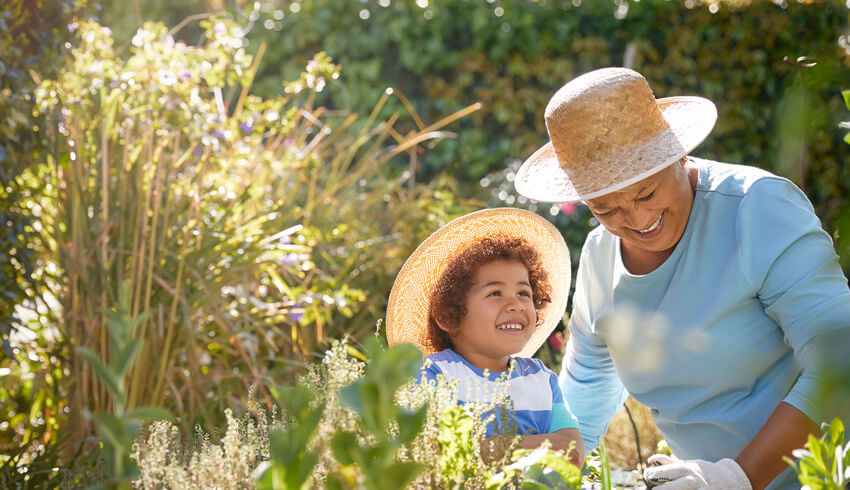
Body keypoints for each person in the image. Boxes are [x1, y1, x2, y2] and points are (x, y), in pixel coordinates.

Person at [513, 66, 850, 490]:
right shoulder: (600, 258)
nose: (637, 219)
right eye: (606, 209)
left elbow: (840, 360)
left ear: (677, 154)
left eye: (646, 193)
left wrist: (735, 477)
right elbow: (585, 398)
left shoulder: (756, 208)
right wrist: (539, 478)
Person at [385, 208, 584, 467]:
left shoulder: (541, 379)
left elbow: (572, 451)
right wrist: (540, 446)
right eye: (495, 293)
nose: (516, 305)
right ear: (449, 315)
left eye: (524, 293)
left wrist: (491, 447)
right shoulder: (435, 375)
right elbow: (438, 453)